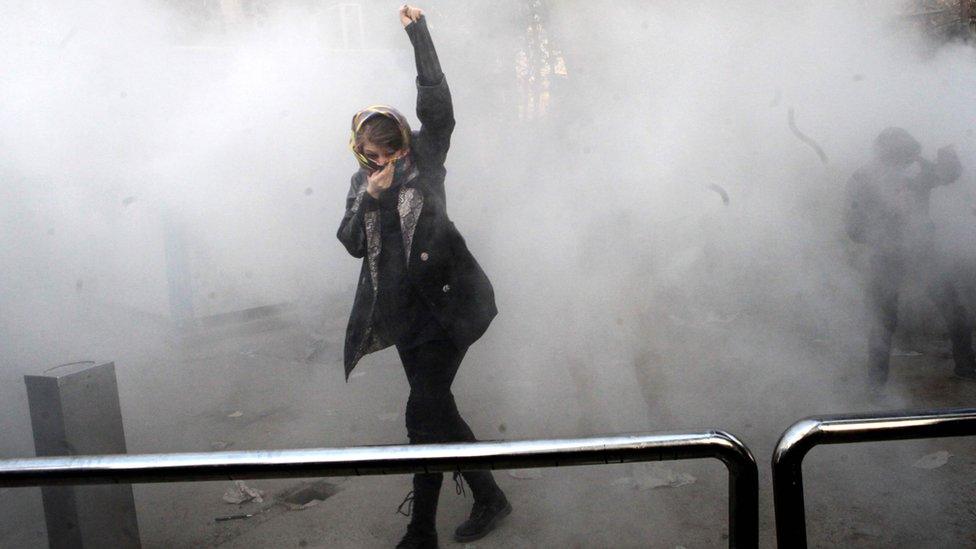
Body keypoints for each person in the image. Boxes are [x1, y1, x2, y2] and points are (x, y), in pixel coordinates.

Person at [337, 6, 511, 548]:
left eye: (390, 154)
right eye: (371, 157)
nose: (382, 164)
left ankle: (421, 532)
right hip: (404, 318)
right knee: (440, 412)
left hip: (451, 312)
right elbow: (349, 244)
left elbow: (439, 110)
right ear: (360, 152)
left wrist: (419, 33)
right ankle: (490, 498)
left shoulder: (426, 161)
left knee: (422, 418)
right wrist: (371, 198)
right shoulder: (363, 183)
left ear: (405, 146)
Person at [845, 127, 976, 386]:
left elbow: (948, 175)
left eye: (909, 154)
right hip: (887, 255)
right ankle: (876, 384)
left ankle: (965, 365)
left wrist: (949, 157)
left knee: (954, 310)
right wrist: (886, 230)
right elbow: (853, 228)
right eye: (902, 155)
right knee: (883, 320)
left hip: (923, 251)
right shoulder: (863, 179)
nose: (909, 160)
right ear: (886, 153)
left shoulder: (917, 172)